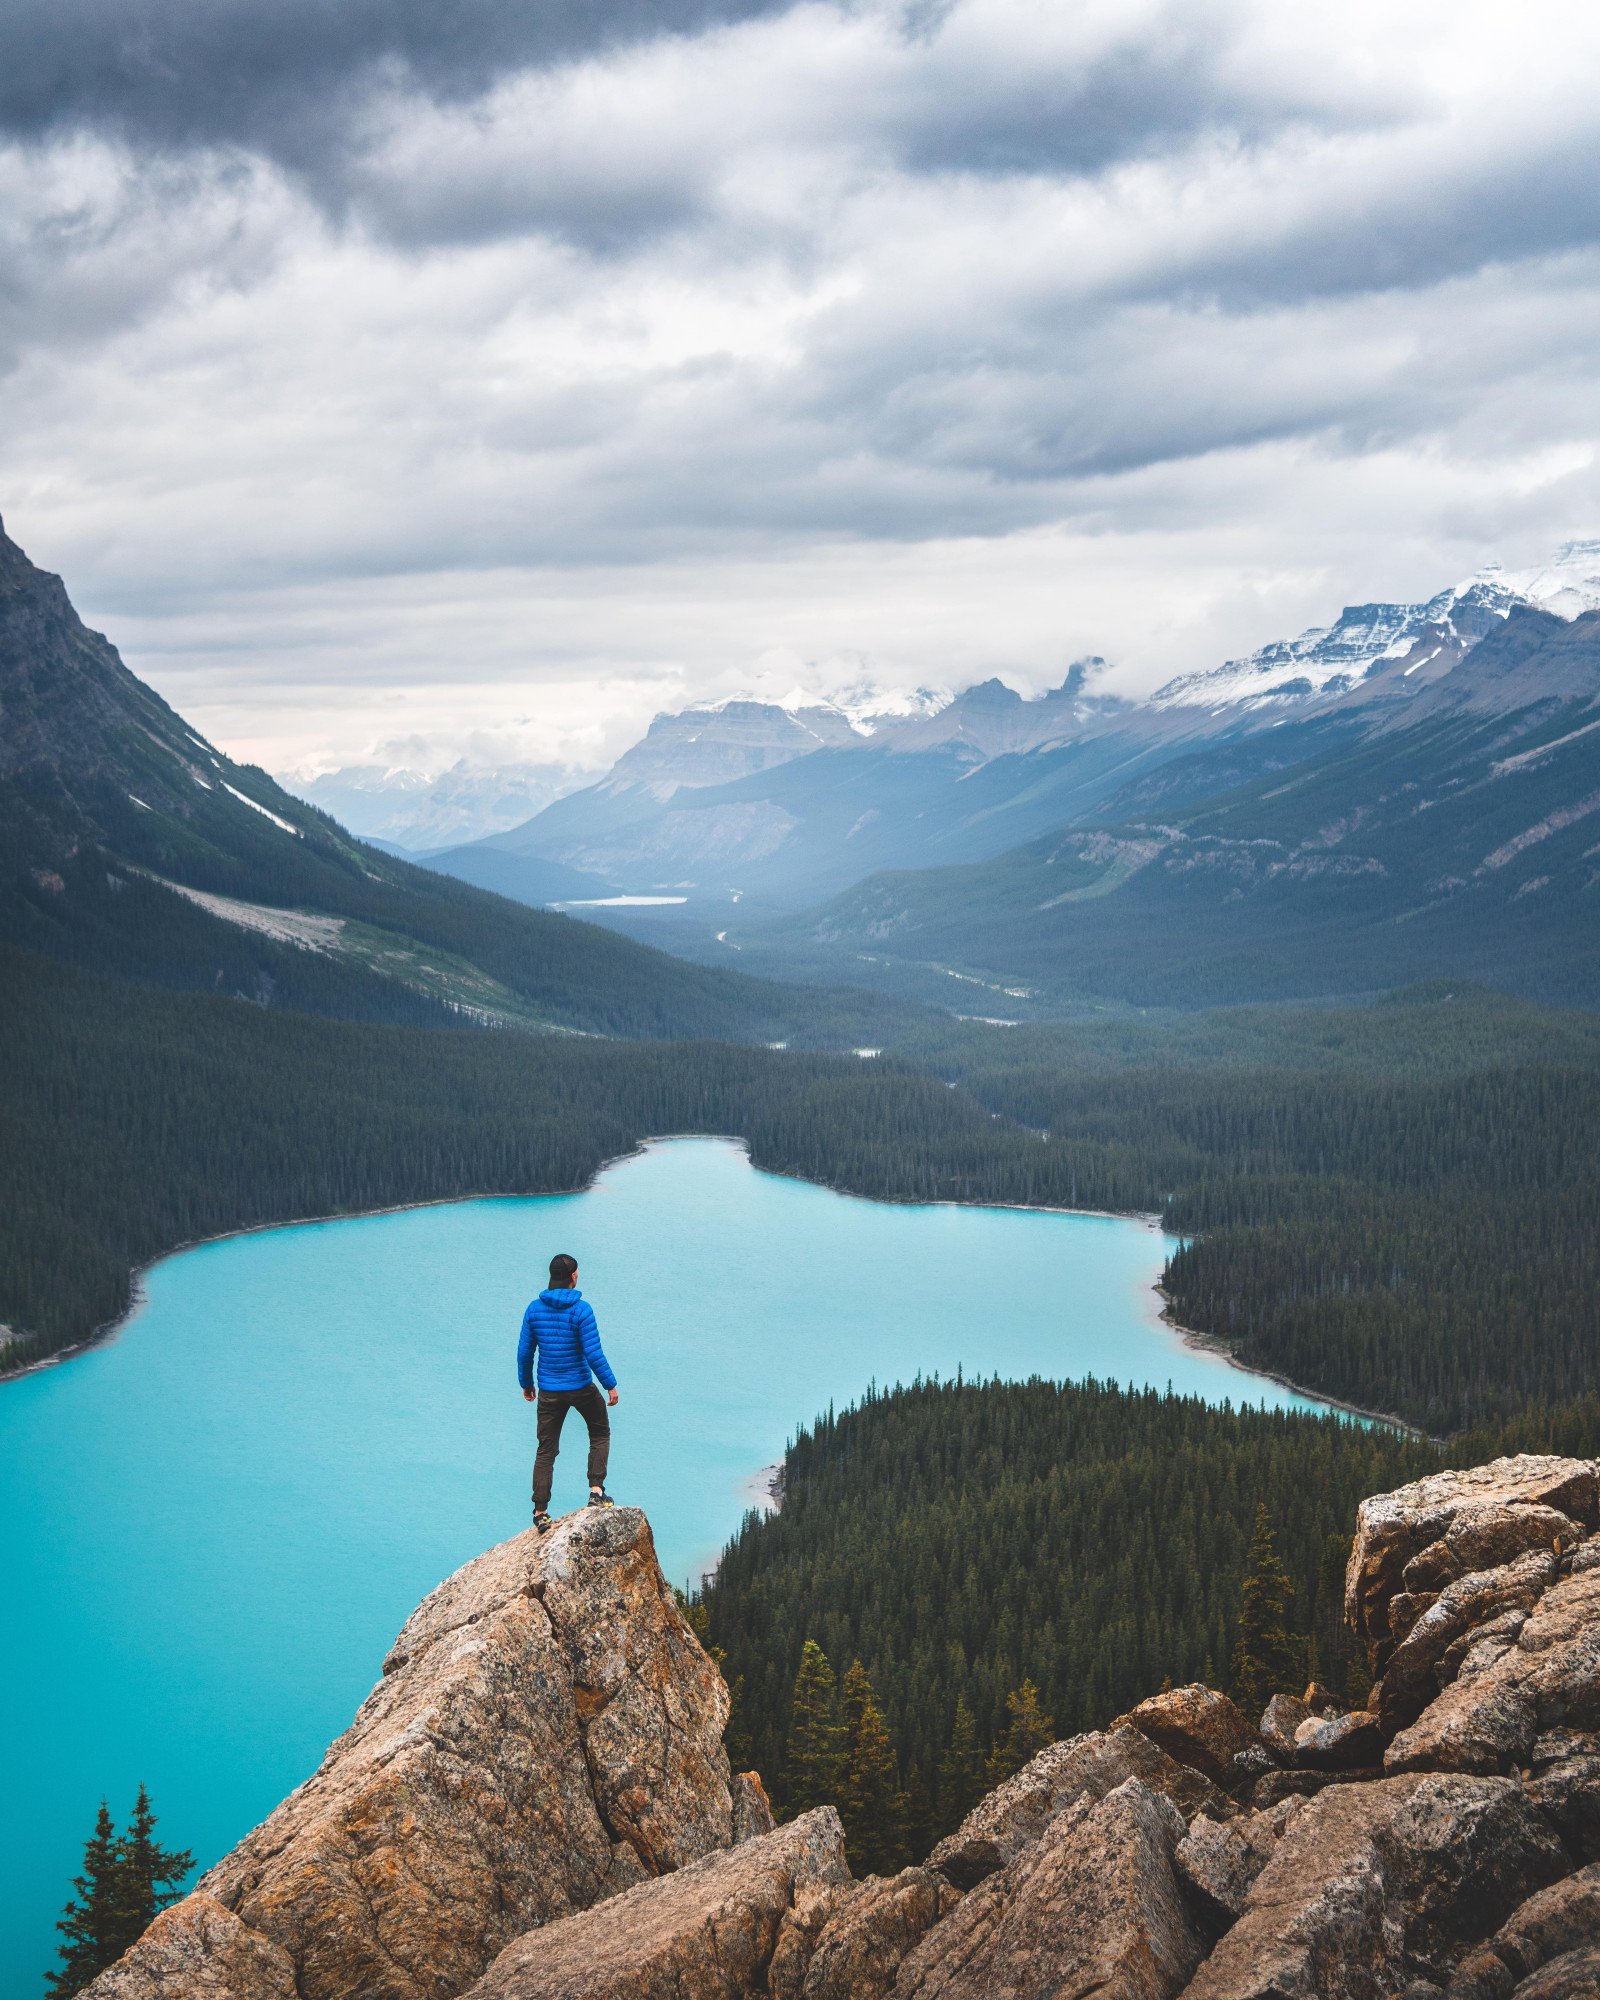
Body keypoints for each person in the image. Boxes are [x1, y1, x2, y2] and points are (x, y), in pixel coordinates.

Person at [517, 1252, 619, 1533]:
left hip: (549, 1391)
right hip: (581, 1387)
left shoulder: (534, 1310)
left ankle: (540, 1512)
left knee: (546, 1450)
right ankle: (596, 1492)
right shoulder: (581, 1310)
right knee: (600, 1433)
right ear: (573, 1276)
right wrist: (610, 1384)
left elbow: (525, 1353)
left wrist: (526, 1384)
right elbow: (593, 1352)